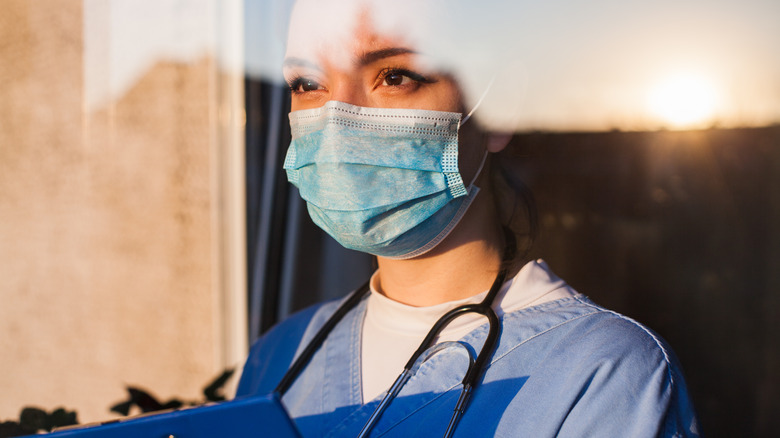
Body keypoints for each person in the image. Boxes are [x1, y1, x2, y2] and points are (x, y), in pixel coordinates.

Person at [236, 0, 701, 436]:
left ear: (500, 106)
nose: (338, 120)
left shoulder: (604, 375)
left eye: (395, 76)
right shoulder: (279, 357)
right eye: (308, 84)